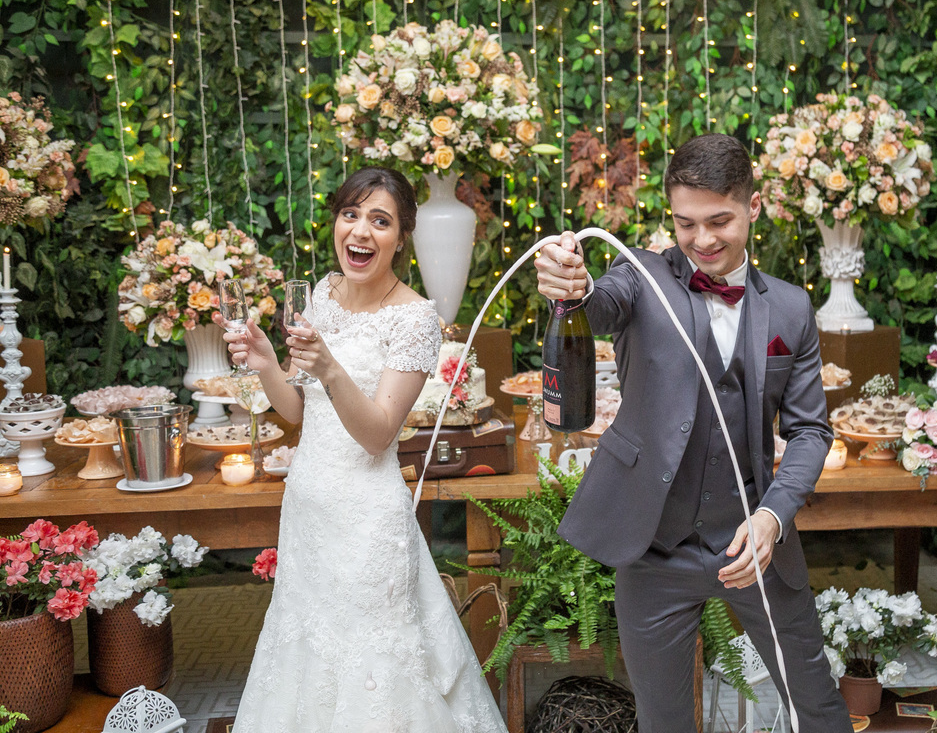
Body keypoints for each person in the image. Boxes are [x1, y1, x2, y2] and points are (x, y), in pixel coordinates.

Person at [535, 134, 852, 732]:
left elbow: (810, 431)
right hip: (654, 548)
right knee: (665, 722)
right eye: (686, 223)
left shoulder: (789, 308)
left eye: (719, 221)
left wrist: (772, 518)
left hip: (754, 545)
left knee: (819, 706)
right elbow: (595, 305)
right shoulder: (638, 275)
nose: (702, 240)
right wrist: (569, 287)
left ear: (752, 208)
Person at [217, 166, 506, 733]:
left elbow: (377, 435)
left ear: (402, 238)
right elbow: (298, 412)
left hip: (368, 520)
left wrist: (328, 367)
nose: (361, 231)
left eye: (381, 221)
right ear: (335, 223)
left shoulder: (415, 318)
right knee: (307, 648)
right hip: (308, 507)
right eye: (351, 214)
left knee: (377, 663)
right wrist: (267, 362)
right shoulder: (322, 294)